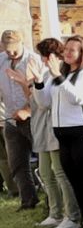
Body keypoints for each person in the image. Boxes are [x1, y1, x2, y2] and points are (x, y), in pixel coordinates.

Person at [36, 35, 83, 228]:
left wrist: (57, 76)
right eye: (66, 48)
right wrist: (38, 82)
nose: (67, 52)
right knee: (75, 182)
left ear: (82, 53)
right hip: (63, 134)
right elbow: (44, 103)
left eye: (73, 49)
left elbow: (77, 98)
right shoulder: (61, 73)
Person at [27, 38, 81, 228]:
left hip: (58, 129)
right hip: (43, 129)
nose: (42, 60)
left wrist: (37, 82)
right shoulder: (47, 74)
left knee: (61, 174)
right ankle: (55, 213)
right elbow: (41, 102)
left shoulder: (61, 73)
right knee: (46, 173)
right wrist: (35, 82)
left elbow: (48, 103)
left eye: (43, 55)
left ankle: (71, 215)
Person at [1, 30, 40, 210]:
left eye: (14, 49)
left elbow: (42, 93)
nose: (11, 53)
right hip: (10, 120)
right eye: (7, 49)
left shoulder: (34, 60)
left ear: (22, 42)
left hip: (33, 118)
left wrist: (27, 110)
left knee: (45, 161)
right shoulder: (1, 61)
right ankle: (28, 200)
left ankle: (55, 202)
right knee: (17, 163)